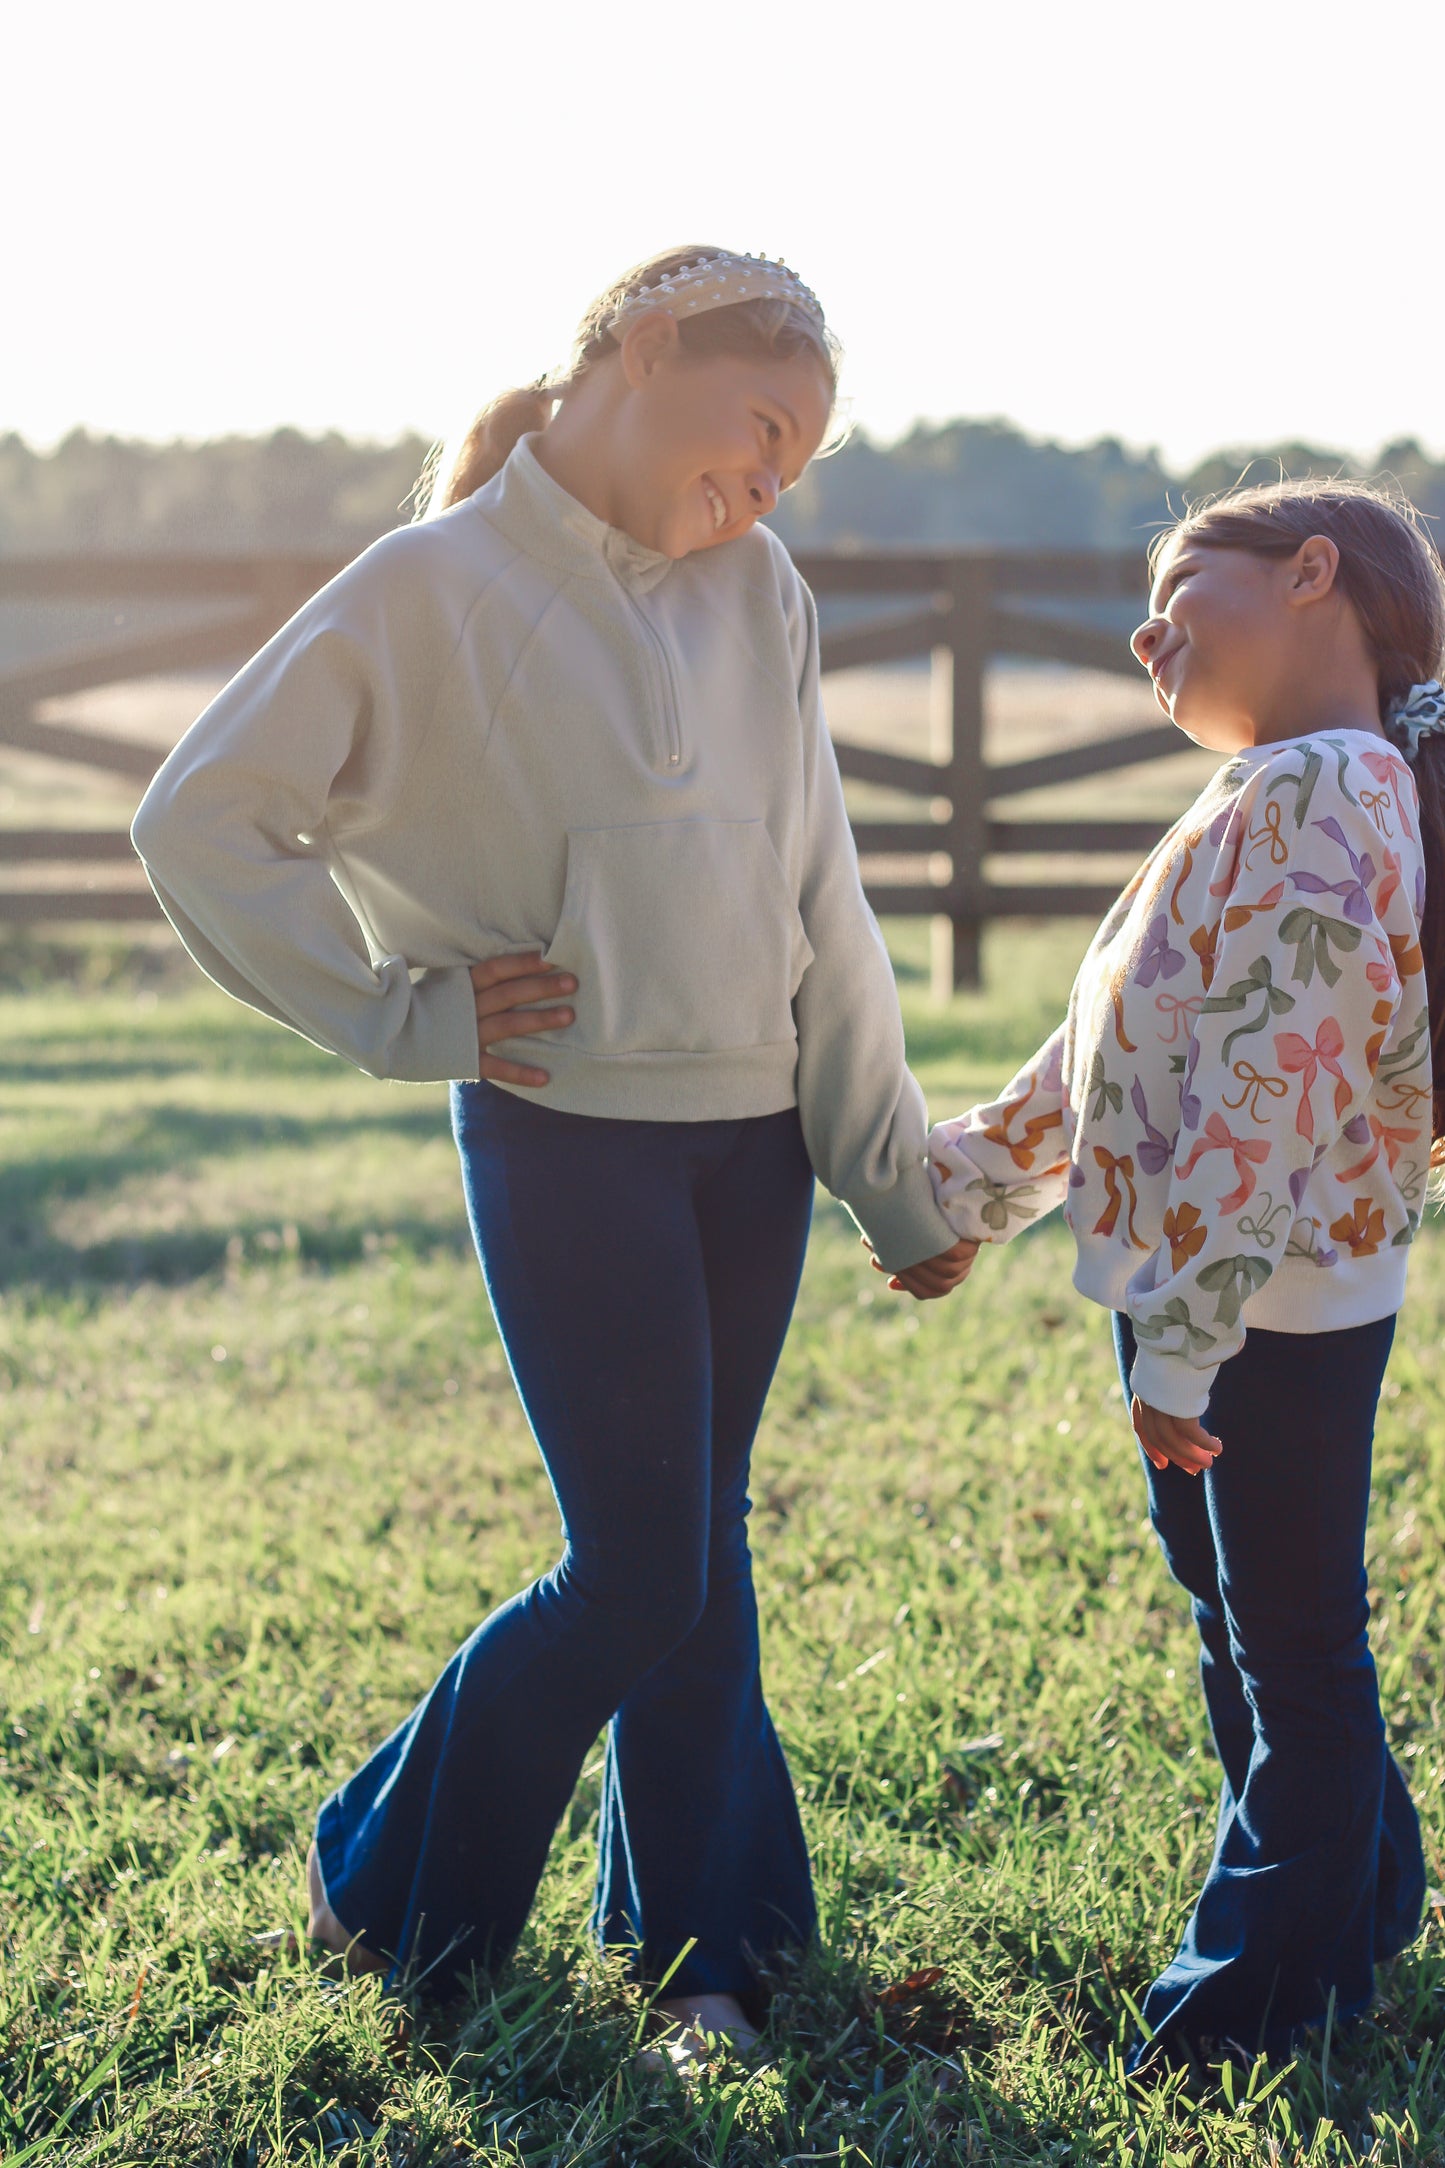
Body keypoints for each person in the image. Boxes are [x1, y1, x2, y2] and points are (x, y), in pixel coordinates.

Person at [130, 246, 972, 2054]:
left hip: (746, 1146)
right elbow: (202, 818)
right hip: (562, 1139)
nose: (760, 487)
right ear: (645, 352)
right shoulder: (424, 586)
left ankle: (710, 1967)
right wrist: (395, 1012)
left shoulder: (757, 589)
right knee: (641, 1566)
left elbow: (819, 886)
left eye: (792, 468)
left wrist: (884, 1174)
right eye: (755, 431)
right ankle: (386, 1882)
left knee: (698, 1547)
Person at [921, 480, 1442, 2066]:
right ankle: (1354, 1913)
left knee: (1288, 1642)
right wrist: (952, 1187)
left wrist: (1183, 1355)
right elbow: (1110, 1052)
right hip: (1215, 1303)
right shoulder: (1269, 793)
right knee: (1246, 1620)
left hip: (1260, 1311)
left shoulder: (1325, 796)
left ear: (1308, 576)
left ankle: (1253, 2008)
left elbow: (1268, 1091)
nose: (1143, 632)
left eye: (1177, 588)